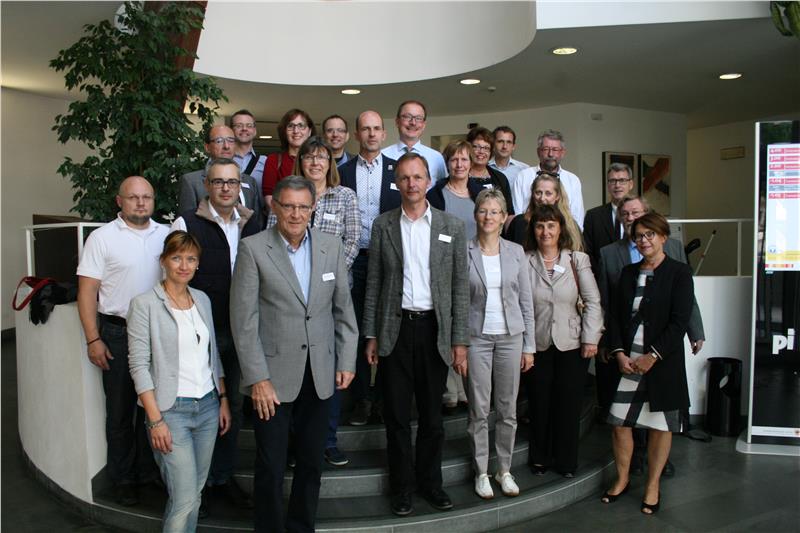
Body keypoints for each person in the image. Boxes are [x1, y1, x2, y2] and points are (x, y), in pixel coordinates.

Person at [231, 176, 358, 533]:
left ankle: (302, 527)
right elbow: (243, 322)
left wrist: (347, 360)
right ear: (275, 207)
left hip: (319, 373)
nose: (296, 214)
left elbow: (343, 309)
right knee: (271, 466)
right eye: (288, 206)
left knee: (311, 463)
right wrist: (257, 378)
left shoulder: (330, 246)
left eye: (303, 206)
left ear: (313, 208)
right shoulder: (253, 249)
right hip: (271, 379)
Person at [363, 152, 469, 516]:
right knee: (396, 418)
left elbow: (459, 287)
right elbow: (374, 282)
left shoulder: (451, 226)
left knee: (432, 419)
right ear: (397, 183)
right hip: (395, 330)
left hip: (434, 331)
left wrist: (459, 341)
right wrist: (371, 335)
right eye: (405, 178)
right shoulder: (383, 225)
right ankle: (402, 488)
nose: (411, 184)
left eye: (417, 177)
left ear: (428, 181)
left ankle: (430, 484)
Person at [127, 230, 231, 531]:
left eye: (191, 259)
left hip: (208, 407)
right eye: (176, 258)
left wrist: (223, 399)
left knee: (194, 495)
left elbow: (213, 355)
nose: (184, 265)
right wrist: (155, 420)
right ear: (163, 261)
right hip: (171, 412)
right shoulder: (144, 304)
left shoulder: (202, 300)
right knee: (184, 498)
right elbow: (138, 366)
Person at [172, 158, 260, 513]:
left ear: (240, 187)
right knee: (204, 406)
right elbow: (174, 276)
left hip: (243, 330)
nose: (226, 188)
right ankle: (198, 484)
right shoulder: (187, 223)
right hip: (202, 330)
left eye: (232, 182)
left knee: (233, 407)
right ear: (206, 185)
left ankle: (221, 477)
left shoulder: (253, 222)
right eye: (219, 182)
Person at [266, 136, 360, 467]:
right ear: (301, 162)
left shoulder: (344, 196)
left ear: (330, 163)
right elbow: (271, 240)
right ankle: (296, 443)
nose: (315, 162)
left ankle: (327, 441)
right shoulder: (287, 195)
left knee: (326, 373)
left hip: (329, 297)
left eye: (322, 157)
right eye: (309, 157)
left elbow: (352, 241)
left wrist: (325, 277)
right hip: (289, 298)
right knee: (294, 372)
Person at [596, 195, 705, 476]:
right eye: (639, 236)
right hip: (628, 358)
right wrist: (617, 351)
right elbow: (614, 312)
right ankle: (623, 477)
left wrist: (654, 355)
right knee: (620, 422)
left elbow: (681, 316)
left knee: (660, 424)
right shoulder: (625, 269)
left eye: (650, 235)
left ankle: (653, 483)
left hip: (661, 357)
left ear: (663, 236)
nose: (644, 240)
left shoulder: (679, 270)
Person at [76, 176, 168, 506]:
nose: (141, 203)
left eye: (147, 197)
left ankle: (147, 472)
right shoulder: (102, 238)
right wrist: (93, 338)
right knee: (119, 411)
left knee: (152, 408)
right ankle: (123, 479)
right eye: (133, 197)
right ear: (119, 201)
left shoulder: (167, 235)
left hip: (157, 332)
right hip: (117, 333)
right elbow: (87, 292)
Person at [466, 189, 535, 500]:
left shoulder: (516, 252)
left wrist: (529, 346)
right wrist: (458, 343)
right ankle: (481, 471)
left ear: (505, 217)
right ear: (475, 215)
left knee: (507, 409)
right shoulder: (464, 250)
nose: (488, 217)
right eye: (483, 211)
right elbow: (458, 300)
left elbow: (526, 302)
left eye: (495, 211)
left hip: (511, 338)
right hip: (476, 338)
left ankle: (503, 469)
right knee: (479, 410)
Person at [524, 204, 602, 478]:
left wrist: (590, 338)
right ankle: (540, 458)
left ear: (560, 229)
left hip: (572, 343)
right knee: (539, 403)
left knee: (568, 405)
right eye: (540, 226)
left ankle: (567, 461)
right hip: (536, 344)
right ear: (533, 230)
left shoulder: (576, 260)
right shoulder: (524, 260)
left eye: (551, 226)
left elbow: (592, 301)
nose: (545, 231)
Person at [338, 110, 401, 426]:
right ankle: (362, 398)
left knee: (389, 327)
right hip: (355, 260)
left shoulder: (398, 170)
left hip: (391, 260)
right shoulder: (342, 172)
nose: (372, 134)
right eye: (366, 129)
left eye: (377, 128)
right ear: (357, 134)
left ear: (384, 134)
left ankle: (385, 398)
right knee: (360, 329)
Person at [427, 139, 483, 412]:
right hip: (446, 268)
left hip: (477, 267)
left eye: (464, 159)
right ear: (447, 163)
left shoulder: (480, 194)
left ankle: (468, 387)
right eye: (454, 159)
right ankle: (451, 389)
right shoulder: (436, 194)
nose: (459, 164)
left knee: (471, 326)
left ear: (472, 163)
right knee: (447, 327)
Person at [178, 125, 264, 229]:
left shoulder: (249, 181)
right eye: (219, 141)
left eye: (231, 140)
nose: (226, 146)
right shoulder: (191, 181)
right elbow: (187, 224)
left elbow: (257, 221)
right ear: (207, 147)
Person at [511, 129, 584, 227]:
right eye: (546, 149)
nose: (550, 154)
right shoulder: (523, 176)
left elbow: (577, 219)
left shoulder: (573, 180)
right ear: (538, 152)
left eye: (555, 150)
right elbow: (518, 216)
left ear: (562, 153)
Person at [507, 172, 583, 252]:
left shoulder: (570, 225)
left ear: (557, 196)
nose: (542, 198)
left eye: (548, 193)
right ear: (532, 194)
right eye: (538, 193)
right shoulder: (518, 223)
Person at [583, 162, 635, 271]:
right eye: (612, 181)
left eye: (622, 180)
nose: (617, 185)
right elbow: (587, 252)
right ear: (607, 185)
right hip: (601, 276)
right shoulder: (593, 216)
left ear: (631, 184)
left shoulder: (643, 215)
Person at [382, 100, 448, 181]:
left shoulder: (437, 158)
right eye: (407, 117)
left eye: (418, 118)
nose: (413, 123)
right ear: (397, 122)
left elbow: (444, 187)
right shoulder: (382, 156)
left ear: (424, 125)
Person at [261, 108, 316, 205]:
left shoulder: (317, 161)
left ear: (309, 131)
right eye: (290, 126)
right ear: (284, 131)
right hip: (282, 214)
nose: (296, 131)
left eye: (301, 126)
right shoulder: (274, 160)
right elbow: (269, 197)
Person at [466, 127, 515, 215]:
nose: (481, 151)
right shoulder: (460, 175)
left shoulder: (500, 178)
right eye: (476, 147)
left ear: (491, 152)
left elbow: (509, 212)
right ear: (468, 149)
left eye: (486, 148)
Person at [230, 109, 267, 191]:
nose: (244, 129)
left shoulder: (265, 162)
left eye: (249, 125)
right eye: (239, 126)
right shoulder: (221, 159)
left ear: (255, 131)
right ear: (231, 130)